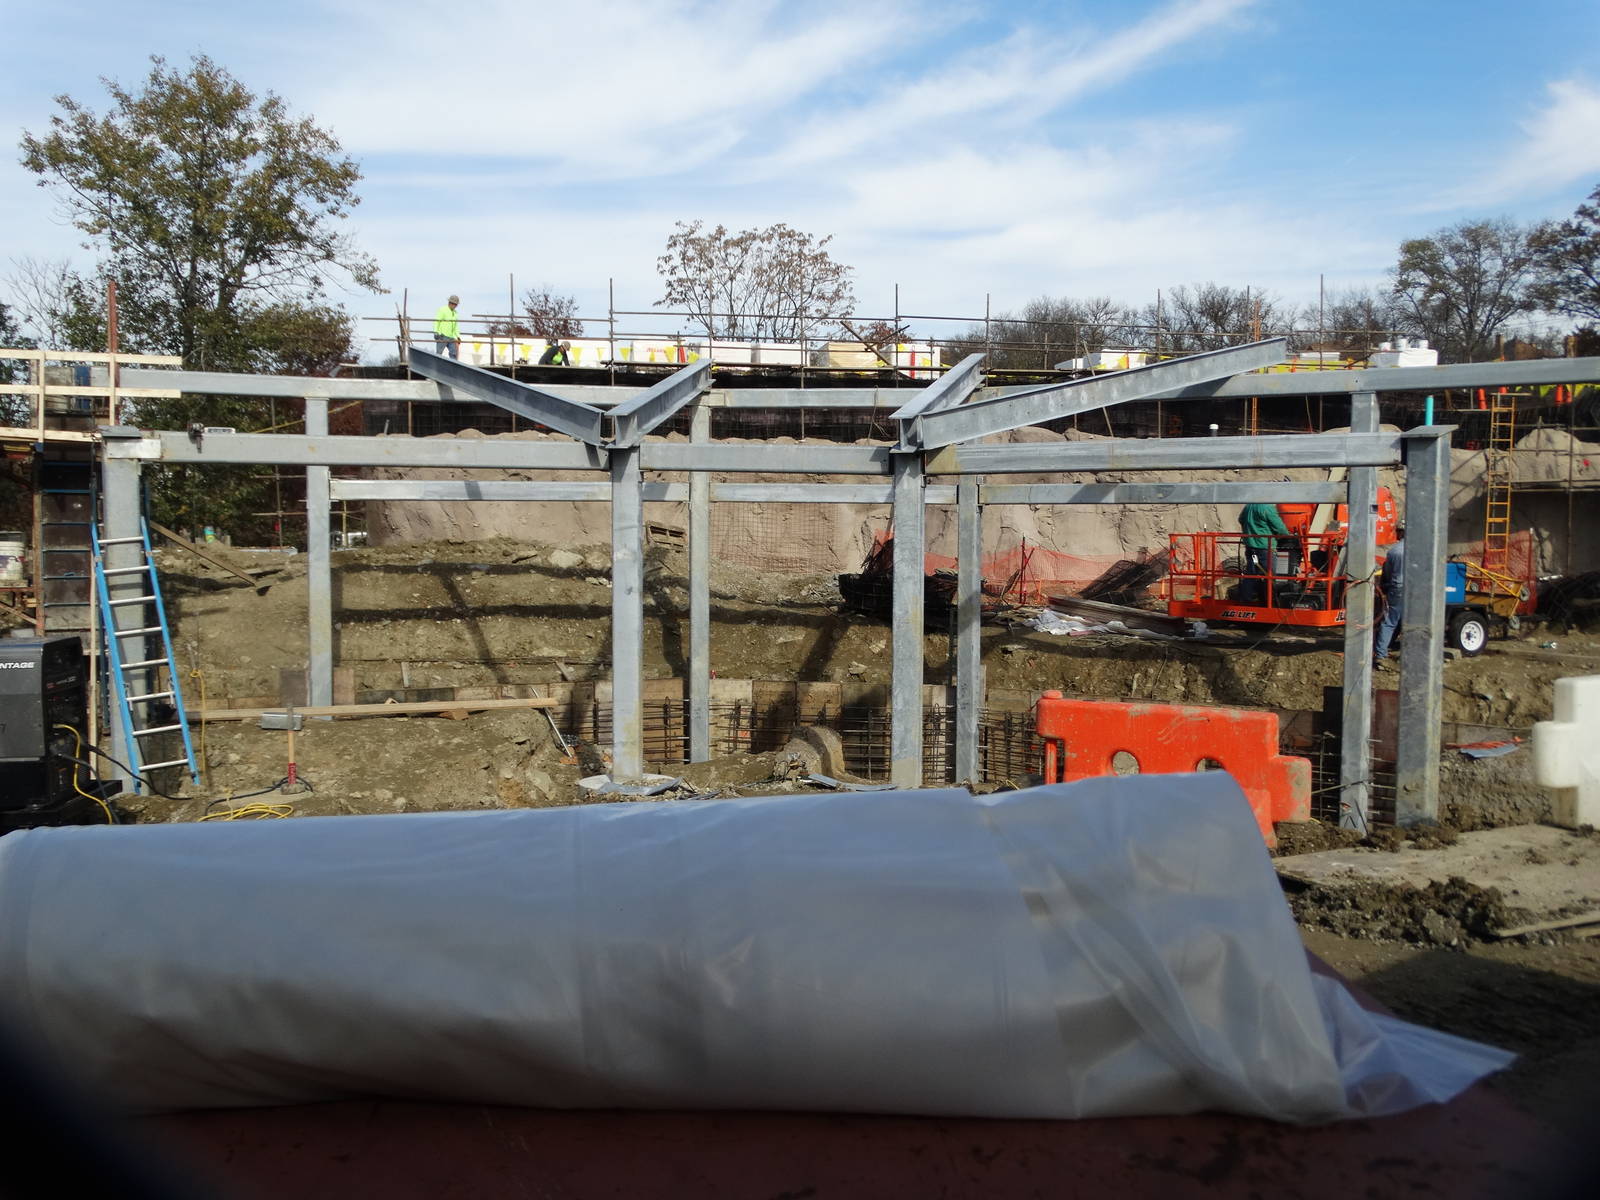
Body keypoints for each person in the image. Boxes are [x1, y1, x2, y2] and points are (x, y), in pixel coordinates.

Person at [1238, 503, 1289, 605]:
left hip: (1251, 547)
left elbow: (1241, 519)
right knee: (1269, 575)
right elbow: (1280, 528)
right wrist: (1287, 535)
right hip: (1265, 547)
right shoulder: (1267, 507)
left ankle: (1245, 600)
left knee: (1251, 573)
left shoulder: (1249, 506)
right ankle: (1269, 602)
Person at [1372, 526, 1406, 667]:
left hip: (1397, 588)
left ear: (1401, 533)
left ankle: (1381, 654)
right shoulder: (1420, 551)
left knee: (1390, 621)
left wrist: (1384, 588)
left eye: (1397, 531)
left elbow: (1388, 573)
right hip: (1415, 591)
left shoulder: (1394, 552)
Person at [433, 295, 461, 359]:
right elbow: (437, 321)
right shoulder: (442, 309)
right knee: (439, 353)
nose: (454, 306)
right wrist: (435, 331)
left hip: (451, 337)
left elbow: (456, 325)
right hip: (442, 336)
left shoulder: (455, 313)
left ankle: (452, 367)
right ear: (449, 303)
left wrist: (458, 336)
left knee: (454, 353)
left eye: (456, 304)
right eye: (453, 304)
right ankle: (437, 367)